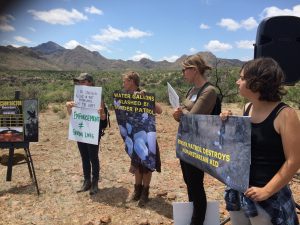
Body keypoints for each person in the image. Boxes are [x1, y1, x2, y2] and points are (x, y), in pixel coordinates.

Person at [221, 58, 300, 225]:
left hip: (268, 197)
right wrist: (229, 121)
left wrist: (267, 191)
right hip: (241, 190)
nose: (237, 82)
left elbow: (294, 161)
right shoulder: (247, 108)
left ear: (256, 83)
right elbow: (244, 146)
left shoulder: (285, 114)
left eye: (241, 78)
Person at [172, 53, 218, 225]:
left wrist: (180, 113)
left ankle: (197, 221)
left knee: (196, 184)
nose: (183, 73)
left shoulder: (209, 91)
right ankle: (194, 216)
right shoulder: (192, 90)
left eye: (185, 69)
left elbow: (192, 117)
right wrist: (178, 114)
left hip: (198, 145)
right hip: (185, 143)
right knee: (189, 182)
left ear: (195, 70)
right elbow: (183, 115)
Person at [120, 71, 162, 206]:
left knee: (147, 165)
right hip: (133, 136)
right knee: (137, 164)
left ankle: (145, 192)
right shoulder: (124, 97)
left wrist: (146, 99)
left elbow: (159, 110)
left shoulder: (144, 94)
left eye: (125, 81)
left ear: (132, 81)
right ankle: (137, 190)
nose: (123, 83)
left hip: (146, 135)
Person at [66, 72, 107, 195]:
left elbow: (104, 119)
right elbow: (72, 115)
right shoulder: (78, 96)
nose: (80, 83)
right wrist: (68, 107)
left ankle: (95, 183)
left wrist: (101, 113)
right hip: (81, 130)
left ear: (90, 82)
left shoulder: (97, 97)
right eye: (79, 82)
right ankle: (86, 181)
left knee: (93, 157)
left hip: (93, 131)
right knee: (84, 156)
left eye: (82, 81)